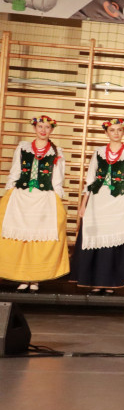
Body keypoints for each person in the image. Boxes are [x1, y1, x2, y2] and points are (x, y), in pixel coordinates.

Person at [0, 116, 70, 290]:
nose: (43, 130)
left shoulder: (57, 151)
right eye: (40, 126)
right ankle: (23, 277)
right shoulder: (23, 148)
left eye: (47, 127)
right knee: (21, 237)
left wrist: (57, 199)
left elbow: (57, 179)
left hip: (43, 198)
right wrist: (8, 192)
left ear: (51, 130)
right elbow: (15, 171)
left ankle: (35, 278)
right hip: (21, 196)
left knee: (39, 238)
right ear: (34, 128)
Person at [71, 118, 124, 293]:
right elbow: (90, 179)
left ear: (123, 132)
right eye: (112, 130)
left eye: (119, 130)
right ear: (106, 133)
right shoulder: (98, 152)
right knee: (98, 237)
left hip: (118, 200)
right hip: (98, 200)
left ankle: (110, 282)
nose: (116, 133)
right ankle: (96, 281)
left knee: (114, 241)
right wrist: (83, 204)